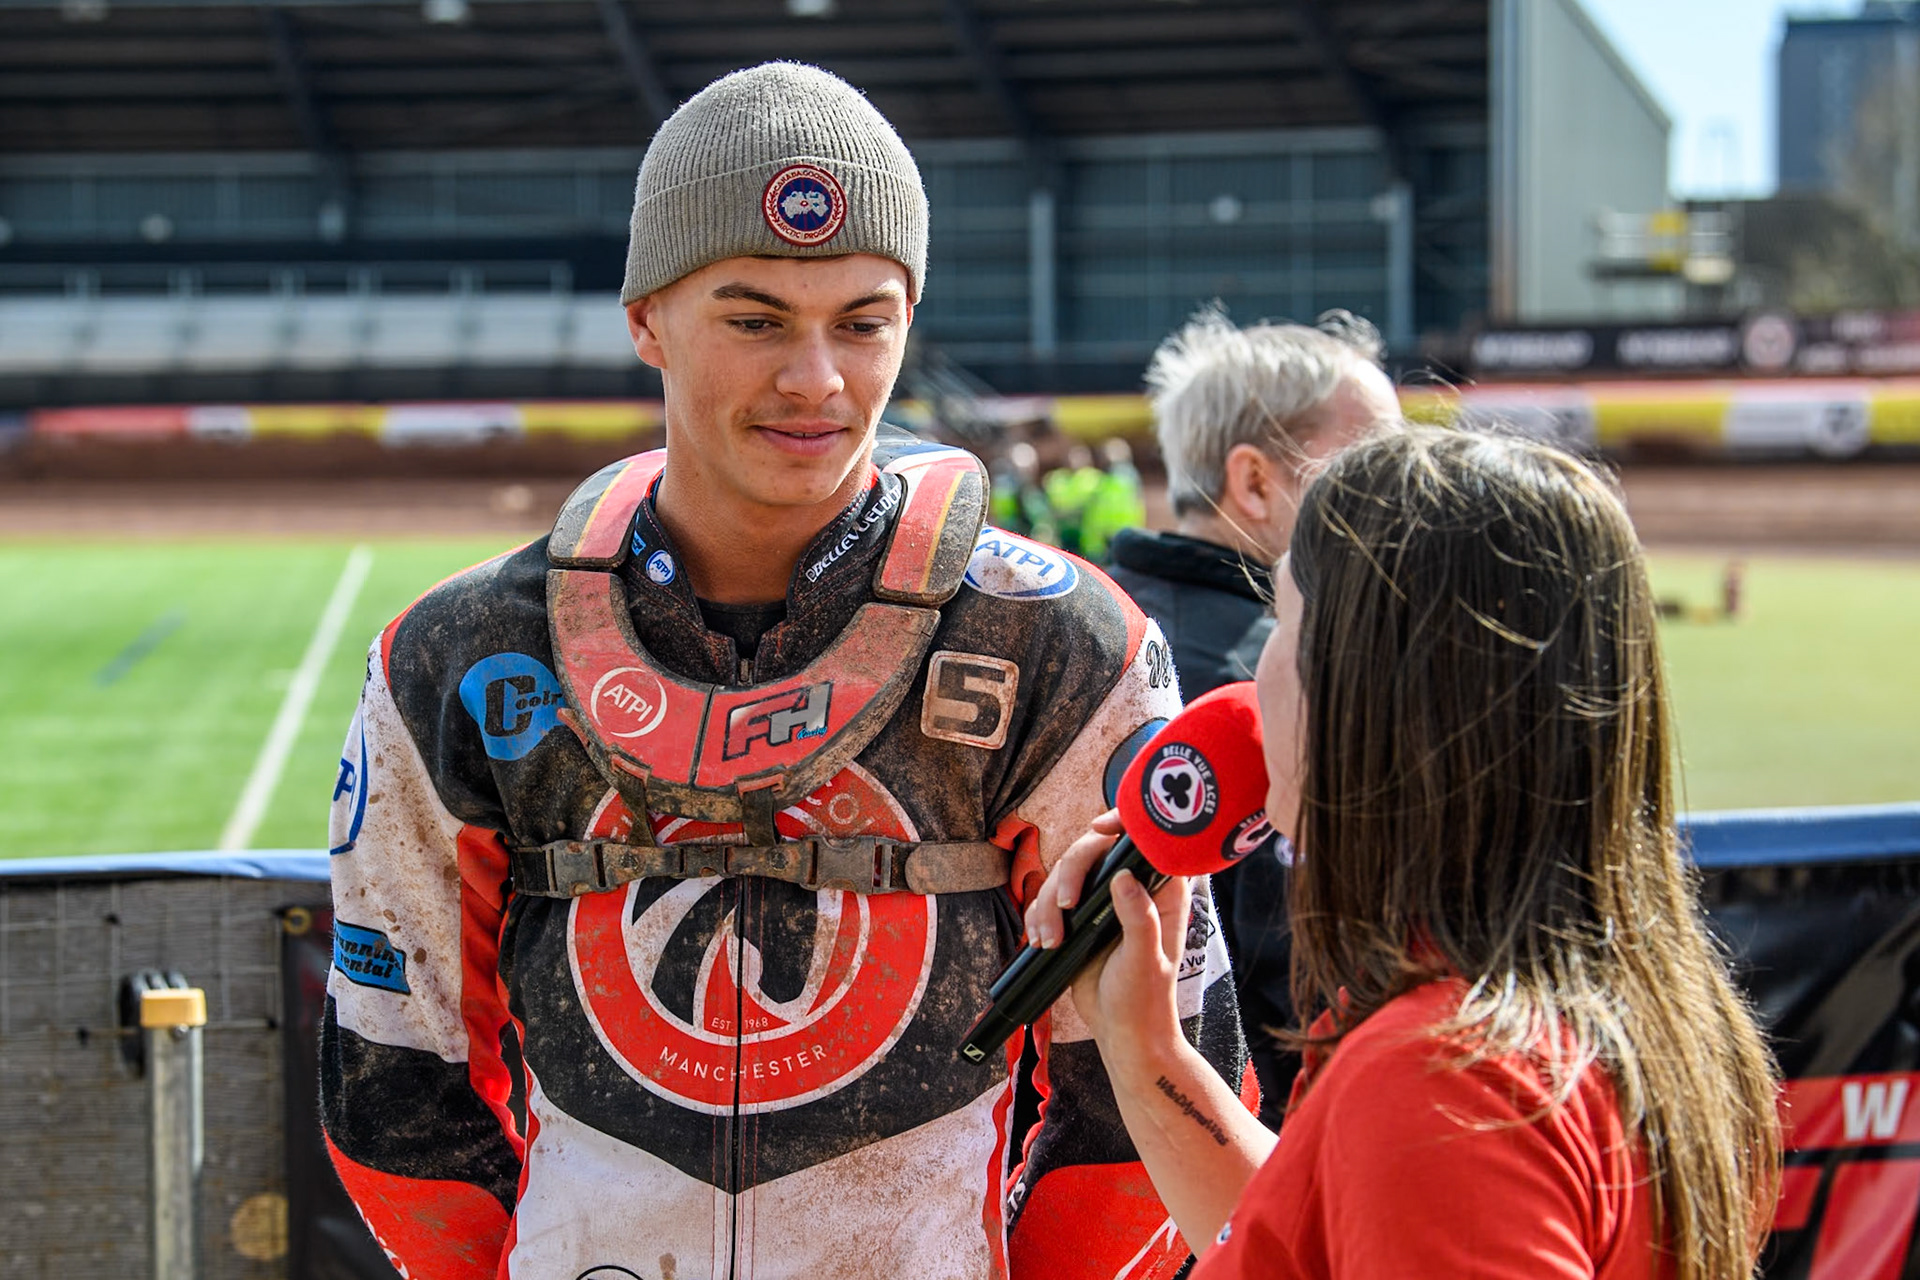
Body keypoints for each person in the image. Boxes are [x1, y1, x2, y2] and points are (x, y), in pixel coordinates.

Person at [318, 61, 1251, 1280]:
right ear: (646, 317)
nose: (817, 379)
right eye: (754, 320)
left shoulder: (1062, 645)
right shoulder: (456, 656)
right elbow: (396, 1078)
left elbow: (1149, 1070)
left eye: (864, 322)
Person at [1030, 425, 1782, 1278]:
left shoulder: (1446, 1083)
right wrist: (1145, 1051)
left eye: (1282, 620)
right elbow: (1306, 1243)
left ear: (1368, 693)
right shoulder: (1586, 1005)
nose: (1250, 680)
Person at [1104, 307, 1397, 1125]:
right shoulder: (1289, 681)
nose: (1402, 494)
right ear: (1256, 481)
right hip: (1251, 1175)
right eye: (1370, 465)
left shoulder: (1079, 626)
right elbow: (1301, 993)